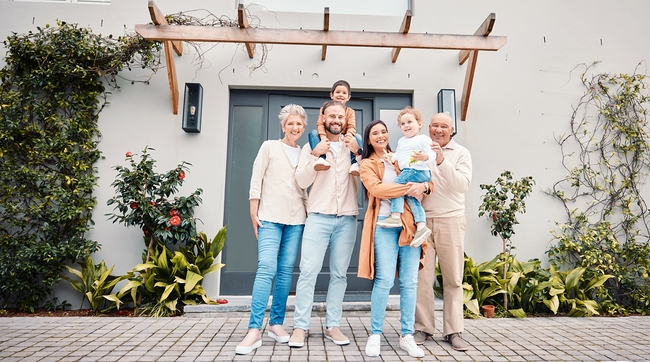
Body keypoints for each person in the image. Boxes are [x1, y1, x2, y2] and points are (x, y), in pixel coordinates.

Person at [235, 104, 309, 355]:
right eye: (290, 123)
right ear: (283, 125)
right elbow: (256, 179)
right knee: (267, 267)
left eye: (299, 124)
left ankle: (276, 324)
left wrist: (309, 215)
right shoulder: (269, 146)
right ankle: (254, 329)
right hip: (269, 217)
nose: (295, 127)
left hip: (297, 219)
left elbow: (305, 189)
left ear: (304, 126)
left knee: (286, 271)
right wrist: (253, 212)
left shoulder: (306, 153)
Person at [358, 119, 433, 358]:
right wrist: (409, 187)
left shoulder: (401, 154)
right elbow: (377, 190)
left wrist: (425, 187)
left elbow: (426, 177)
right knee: (384, 279)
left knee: (410, 282)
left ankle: (407, 335)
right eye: (374, 133)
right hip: (384, 225)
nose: (380, 136)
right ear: (369, 139)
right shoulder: (367, 163)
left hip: (410, 225)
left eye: (383, 132)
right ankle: (375, 334)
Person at [288, 100, 361, 348]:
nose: (336, 120)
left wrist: (359, 154)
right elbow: (301, 180)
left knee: (339, 275)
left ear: (346, 119)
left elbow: (370, 177)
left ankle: (333, 326)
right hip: (318, 217)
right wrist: (315, 154)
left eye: (340, 116)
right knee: (308, 272)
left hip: (348, 218)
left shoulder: (355, 146)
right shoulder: (311, 144)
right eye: (332, 116)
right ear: (324, 118)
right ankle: (300, 326)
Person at [413, 112, 472, 351]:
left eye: (444, 126)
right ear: (428, 128)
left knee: (453, 279)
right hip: (423, 222)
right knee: (422, 279)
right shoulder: (421, 150)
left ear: (452, 130)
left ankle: (454, 331)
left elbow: (462, 185)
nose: (438, 130)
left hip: (451, 221)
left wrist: (440, 161)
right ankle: (423, 328)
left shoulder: (461, 153)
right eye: (435, 125)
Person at [377, 107, 434, 248]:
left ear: (419, 124)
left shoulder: (422, 139)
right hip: (410, 171)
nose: (406, 125)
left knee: (397, 187)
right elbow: (399, 155)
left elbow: (432, 154)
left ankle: (395, 216)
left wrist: (425, 157)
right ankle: (421, 226)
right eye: (403, 124)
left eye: (410, 122)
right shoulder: (402, 141)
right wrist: (392, 156)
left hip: (417, 170)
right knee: (410, 197)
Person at [308, 80, 363, 176]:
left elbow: (352, 126)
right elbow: (320, 124)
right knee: (313, 133)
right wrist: (323, 137)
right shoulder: (324, 109)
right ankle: (321, 157)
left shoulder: (350, 111)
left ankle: (354, 163)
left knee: (357, 137)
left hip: (344, 136)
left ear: (348, 97)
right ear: (331, 95)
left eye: (344, 93)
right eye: (337, 92)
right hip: (326, 135)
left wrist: (349, 135)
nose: (340, 95)